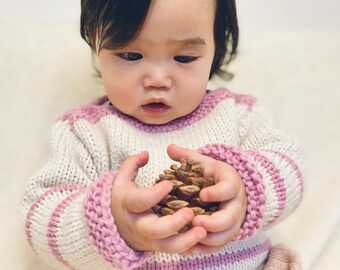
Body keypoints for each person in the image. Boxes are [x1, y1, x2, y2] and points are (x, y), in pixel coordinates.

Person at [21, 0, 303, 269]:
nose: (157, 79)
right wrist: (109, 223)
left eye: (184, 57)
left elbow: (289, 166)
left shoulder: (236, 115)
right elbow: (40, 218)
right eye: (130, 55)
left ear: (216, 50)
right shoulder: (84, 133)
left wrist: (246, 190)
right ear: (95, 45)